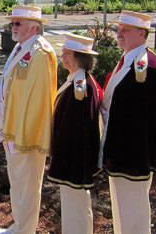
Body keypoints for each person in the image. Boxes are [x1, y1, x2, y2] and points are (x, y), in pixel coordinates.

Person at [99, 10, 156, 234]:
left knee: (133, 214)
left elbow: (150, 117)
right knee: (122, 212)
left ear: (142, 34)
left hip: (133, 156)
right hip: (119, 152)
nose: (119, 34)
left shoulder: (148, 67)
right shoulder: (127, 60)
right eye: (118, 29)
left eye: (125, 30)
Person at [0, 5, 57, 234]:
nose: (13, 27)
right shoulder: (21, 48)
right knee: (18, 183)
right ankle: (19, 225)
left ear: (33, 27)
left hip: (27, 134)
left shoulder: (41, 53)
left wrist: (25, 134)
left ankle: (26, 230)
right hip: (13, 130)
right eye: (12, 23)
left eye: (17, 23)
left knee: (28, 186)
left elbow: (40, 100)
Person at [47, 33, 102, 234]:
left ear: (80, 57)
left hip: (75, 158)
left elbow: (80, 127)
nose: (63, 57)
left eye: (67, 53)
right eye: (63, 52)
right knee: (73, 205)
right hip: (71, 157)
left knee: (76, 205)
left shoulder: (82, 86)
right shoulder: (77, 81)